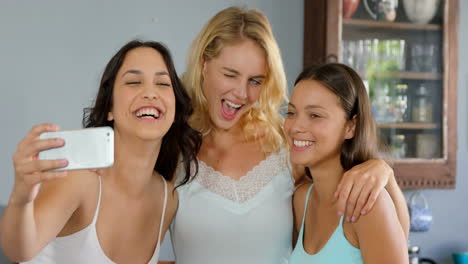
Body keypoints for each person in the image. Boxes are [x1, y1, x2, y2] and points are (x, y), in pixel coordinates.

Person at [170, 6, 409, 264]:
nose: (241, 93)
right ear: (204, 64)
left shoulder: (285, 145)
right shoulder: (171, 147)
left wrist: (383, 170)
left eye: (255, 81)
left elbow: (392, 236)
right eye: (230, 74)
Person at [0, 40, 201, 264]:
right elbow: (18, 251)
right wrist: (21, 197)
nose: (150, 93)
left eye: (163, 84)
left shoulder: (166, 199)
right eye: (134, 82)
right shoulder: (81, 178)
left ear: (174, 111)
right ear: (109, 109)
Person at [287, 63, 408, 263]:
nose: (295, 127)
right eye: (291, 113)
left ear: (351, 127)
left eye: (315, 115)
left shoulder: (367, 204)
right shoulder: (302, 200)